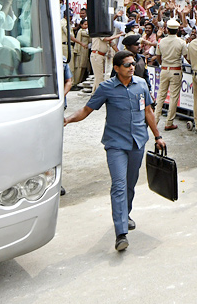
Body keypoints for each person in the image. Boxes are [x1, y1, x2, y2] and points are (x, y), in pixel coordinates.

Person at [64, 50, 166, 252]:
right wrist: (67, 119)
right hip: (116, 144)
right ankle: (121, 233)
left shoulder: (141, 84)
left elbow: (148, 111)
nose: (131, 67)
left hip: (138, 142)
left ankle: (125, 214)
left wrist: (157, 136)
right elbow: (86, 110)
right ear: (117, 68)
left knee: (130, 184)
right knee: (118, 185)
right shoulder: (106, 88)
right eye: (127, 65)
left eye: (132, 64)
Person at [154, 19, 185, 130]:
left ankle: (155, 120)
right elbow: (186, 56)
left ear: (167, 29)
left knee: (160, 95)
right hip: (176, 69)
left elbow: (158, 56)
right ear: (177, 30)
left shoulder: (161, 41)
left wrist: (162, 64)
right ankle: (169, 122)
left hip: (164, 69)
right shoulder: (181, 42)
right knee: (173, 97)